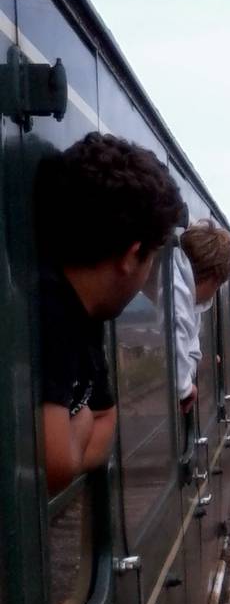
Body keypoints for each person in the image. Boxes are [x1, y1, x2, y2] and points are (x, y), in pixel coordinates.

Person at [36, 132, 184, 494]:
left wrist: (78, 424)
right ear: (132, 255)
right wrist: (80, 422)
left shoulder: (87, 318)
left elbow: (103, 423)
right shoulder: (48, 310)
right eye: (151, 258)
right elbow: (54, 468)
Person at [174, 219, 230, 413]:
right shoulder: (177, 289)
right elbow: (176, 327)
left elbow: (191, 343)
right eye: (218, 285)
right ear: (214, 278)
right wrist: (185, 388)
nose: (214, 293)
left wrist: (194, 362)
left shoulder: (192, 300)